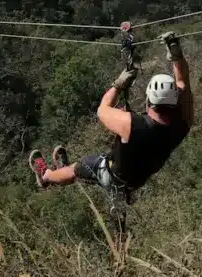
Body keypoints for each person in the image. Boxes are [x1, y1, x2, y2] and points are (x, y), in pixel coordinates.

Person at [28, 32, 193, 195]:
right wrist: (176, 55)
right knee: (86, 166)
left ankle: (45, 177)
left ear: (149, 100)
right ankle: (59, 172)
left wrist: (118, 85)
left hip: (112, 177)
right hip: (134, 181)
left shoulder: (133, 125)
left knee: (78, 168)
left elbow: (102, 109)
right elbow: (182, 81)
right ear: (174, 100)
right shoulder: (183, 124)